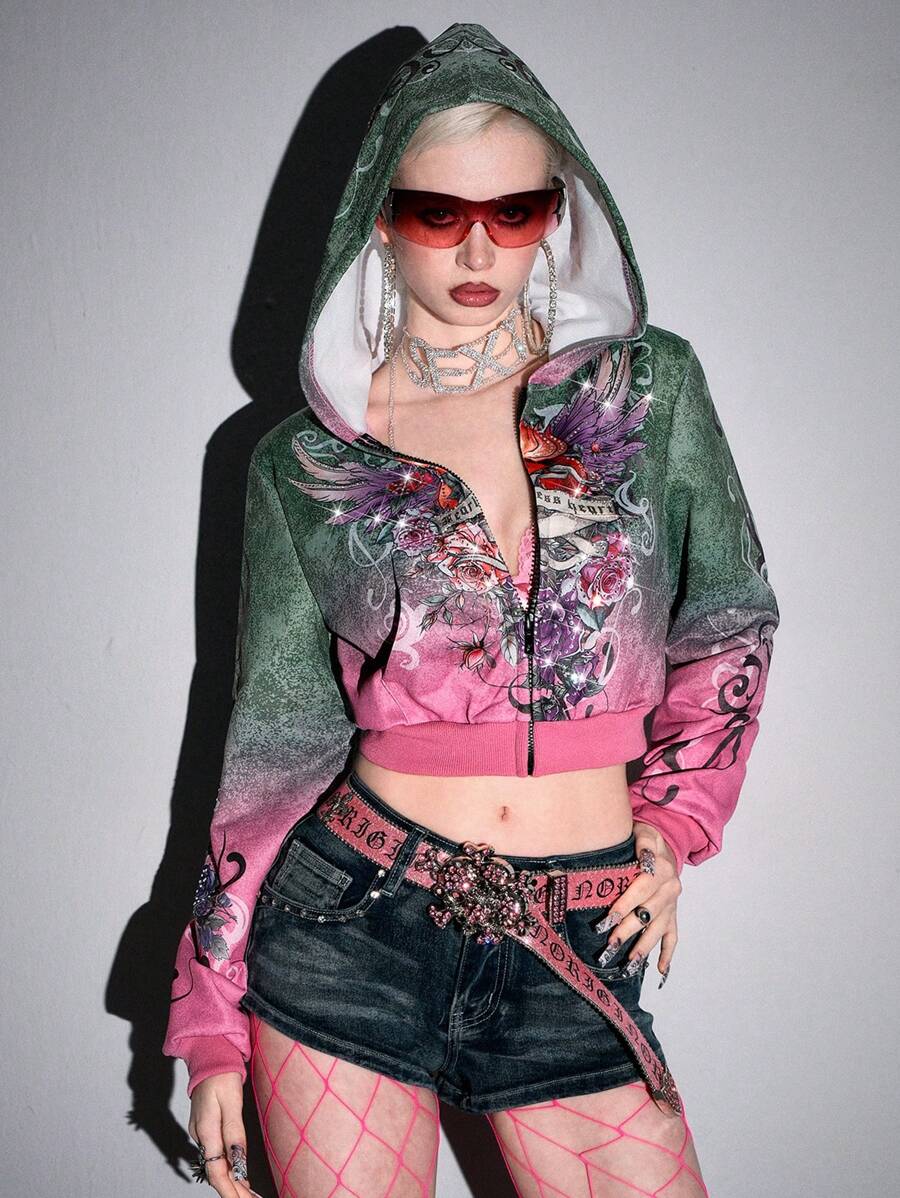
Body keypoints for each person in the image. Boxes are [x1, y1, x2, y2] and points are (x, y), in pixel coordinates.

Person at [163, 22, 780, 1198]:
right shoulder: (305, 460)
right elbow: (273, 746)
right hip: (347, 922)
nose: (480, 246)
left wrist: (672, 820)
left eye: (516, 210)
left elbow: (731, 621)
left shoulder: (648, 393)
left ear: (560, 214)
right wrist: (209, 1017)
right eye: (439, 213)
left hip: (572, 927)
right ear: (379, 221)